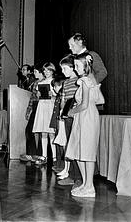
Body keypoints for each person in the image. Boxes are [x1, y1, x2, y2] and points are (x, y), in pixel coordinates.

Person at [65, 52, 105, 197]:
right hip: (84, 116)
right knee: (78, 150)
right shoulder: (90, 80)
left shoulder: (85, 81)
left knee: (87, 151)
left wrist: (71, 111)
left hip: (86, 116)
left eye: (77, 65)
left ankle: (90, 186)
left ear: (86, 65)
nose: (75, 68)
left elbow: (84, 105)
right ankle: (85, 184)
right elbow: (97, 100)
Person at [56, 54, 80, 186]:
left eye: (65, 69)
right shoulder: (65, 83)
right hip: (67, 117)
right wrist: (62, 110)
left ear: (73, 68)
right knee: (69, 146)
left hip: (76, 116)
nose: (63, 71)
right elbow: (64, 99)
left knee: (75, 146)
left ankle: (77, 177)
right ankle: (71, 174)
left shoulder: (79, 81)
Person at [32, 62, 57, 165]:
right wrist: (38, 94)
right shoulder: (41, 83)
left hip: (50, 107)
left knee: (51, 133)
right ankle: (44, 156)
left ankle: (55, 157)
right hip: (42, 107)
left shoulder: (55, 82)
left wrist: (54, 94)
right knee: (43, 132)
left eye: (48, 70)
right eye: (45, 70)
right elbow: (39, 96)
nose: (46, 72)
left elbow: (59, 95)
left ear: (52, 71)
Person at [20, 62, 44, 162]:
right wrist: (29, 110)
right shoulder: (36, 82)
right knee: (30, 131)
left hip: (40, 107)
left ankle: (35, 154)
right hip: (35, 106)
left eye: (35, 71)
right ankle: (32, 153)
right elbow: (32, 98)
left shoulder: (43, 82)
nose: (34, 74)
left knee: (33, 131)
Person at [49, 74, 66, 172]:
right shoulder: (58, 96)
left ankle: (62, 165)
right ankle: (59, 164)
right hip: (57, 122)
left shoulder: (62, 96)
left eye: (55, 86)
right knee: (58, 144)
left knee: (62, 144)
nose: (54, 89)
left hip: (61, 122)